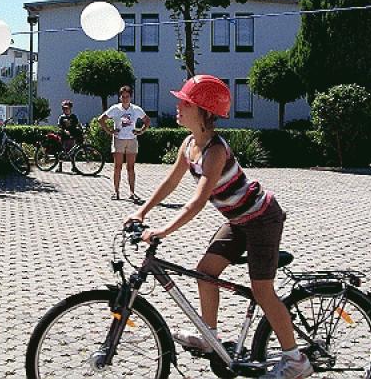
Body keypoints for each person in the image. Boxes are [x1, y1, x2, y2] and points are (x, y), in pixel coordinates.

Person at [125, 75, 312, 379]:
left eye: (184, 102)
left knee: (262, 290)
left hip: (262, 218)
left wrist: (163, 231)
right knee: (205, 272)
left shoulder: (215, 151)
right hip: (238, 221)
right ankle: (209, 336)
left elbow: (197, 201)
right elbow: (170, 182)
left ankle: (295, 359)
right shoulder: (189, 144)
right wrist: (141, 211)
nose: (178, 105)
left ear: (203, 110)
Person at [98, 85, 150, 203]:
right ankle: (116, 192)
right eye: (123, 96)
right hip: (119, 139)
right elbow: (101, 119)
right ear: (120, 97)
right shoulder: (115, 109)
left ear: (131, 97)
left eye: (127, 96)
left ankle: (132, 192)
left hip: (131, 139)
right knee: (118, 167)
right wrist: (110, 131)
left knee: (131, 167)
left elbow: (147, 120)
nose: (125, 99)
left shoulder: (136, 109)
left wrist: (140, 131)